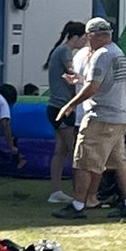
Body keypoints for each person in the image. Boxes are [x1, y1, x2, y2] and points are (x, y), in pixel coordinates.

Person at [51, 17, 126, 220]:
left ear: (93, 35)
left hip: (101, 117)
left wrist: (70, 104)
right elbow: (104, 83)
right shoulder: (117, 52)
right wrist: (79, 80)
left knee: (83, 161)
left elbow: (94, 87)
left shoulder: (101, 54)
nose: (87, 41)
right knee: (120, 162)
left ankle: (78, 205)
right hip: (119, 117)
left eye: (88, 37)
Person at [43, 21, 86, 204]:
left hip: (55, 106)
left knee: (60, 150)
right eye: (83, 37)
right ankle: (80, 191)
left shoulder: (59, 51)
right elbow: (72, 75)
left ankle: (56, 191)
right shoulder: (65, 52)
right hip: (61, 107)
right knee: (74, 150)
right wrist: (88, 82)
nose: (85, 42)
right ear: (75, 37)